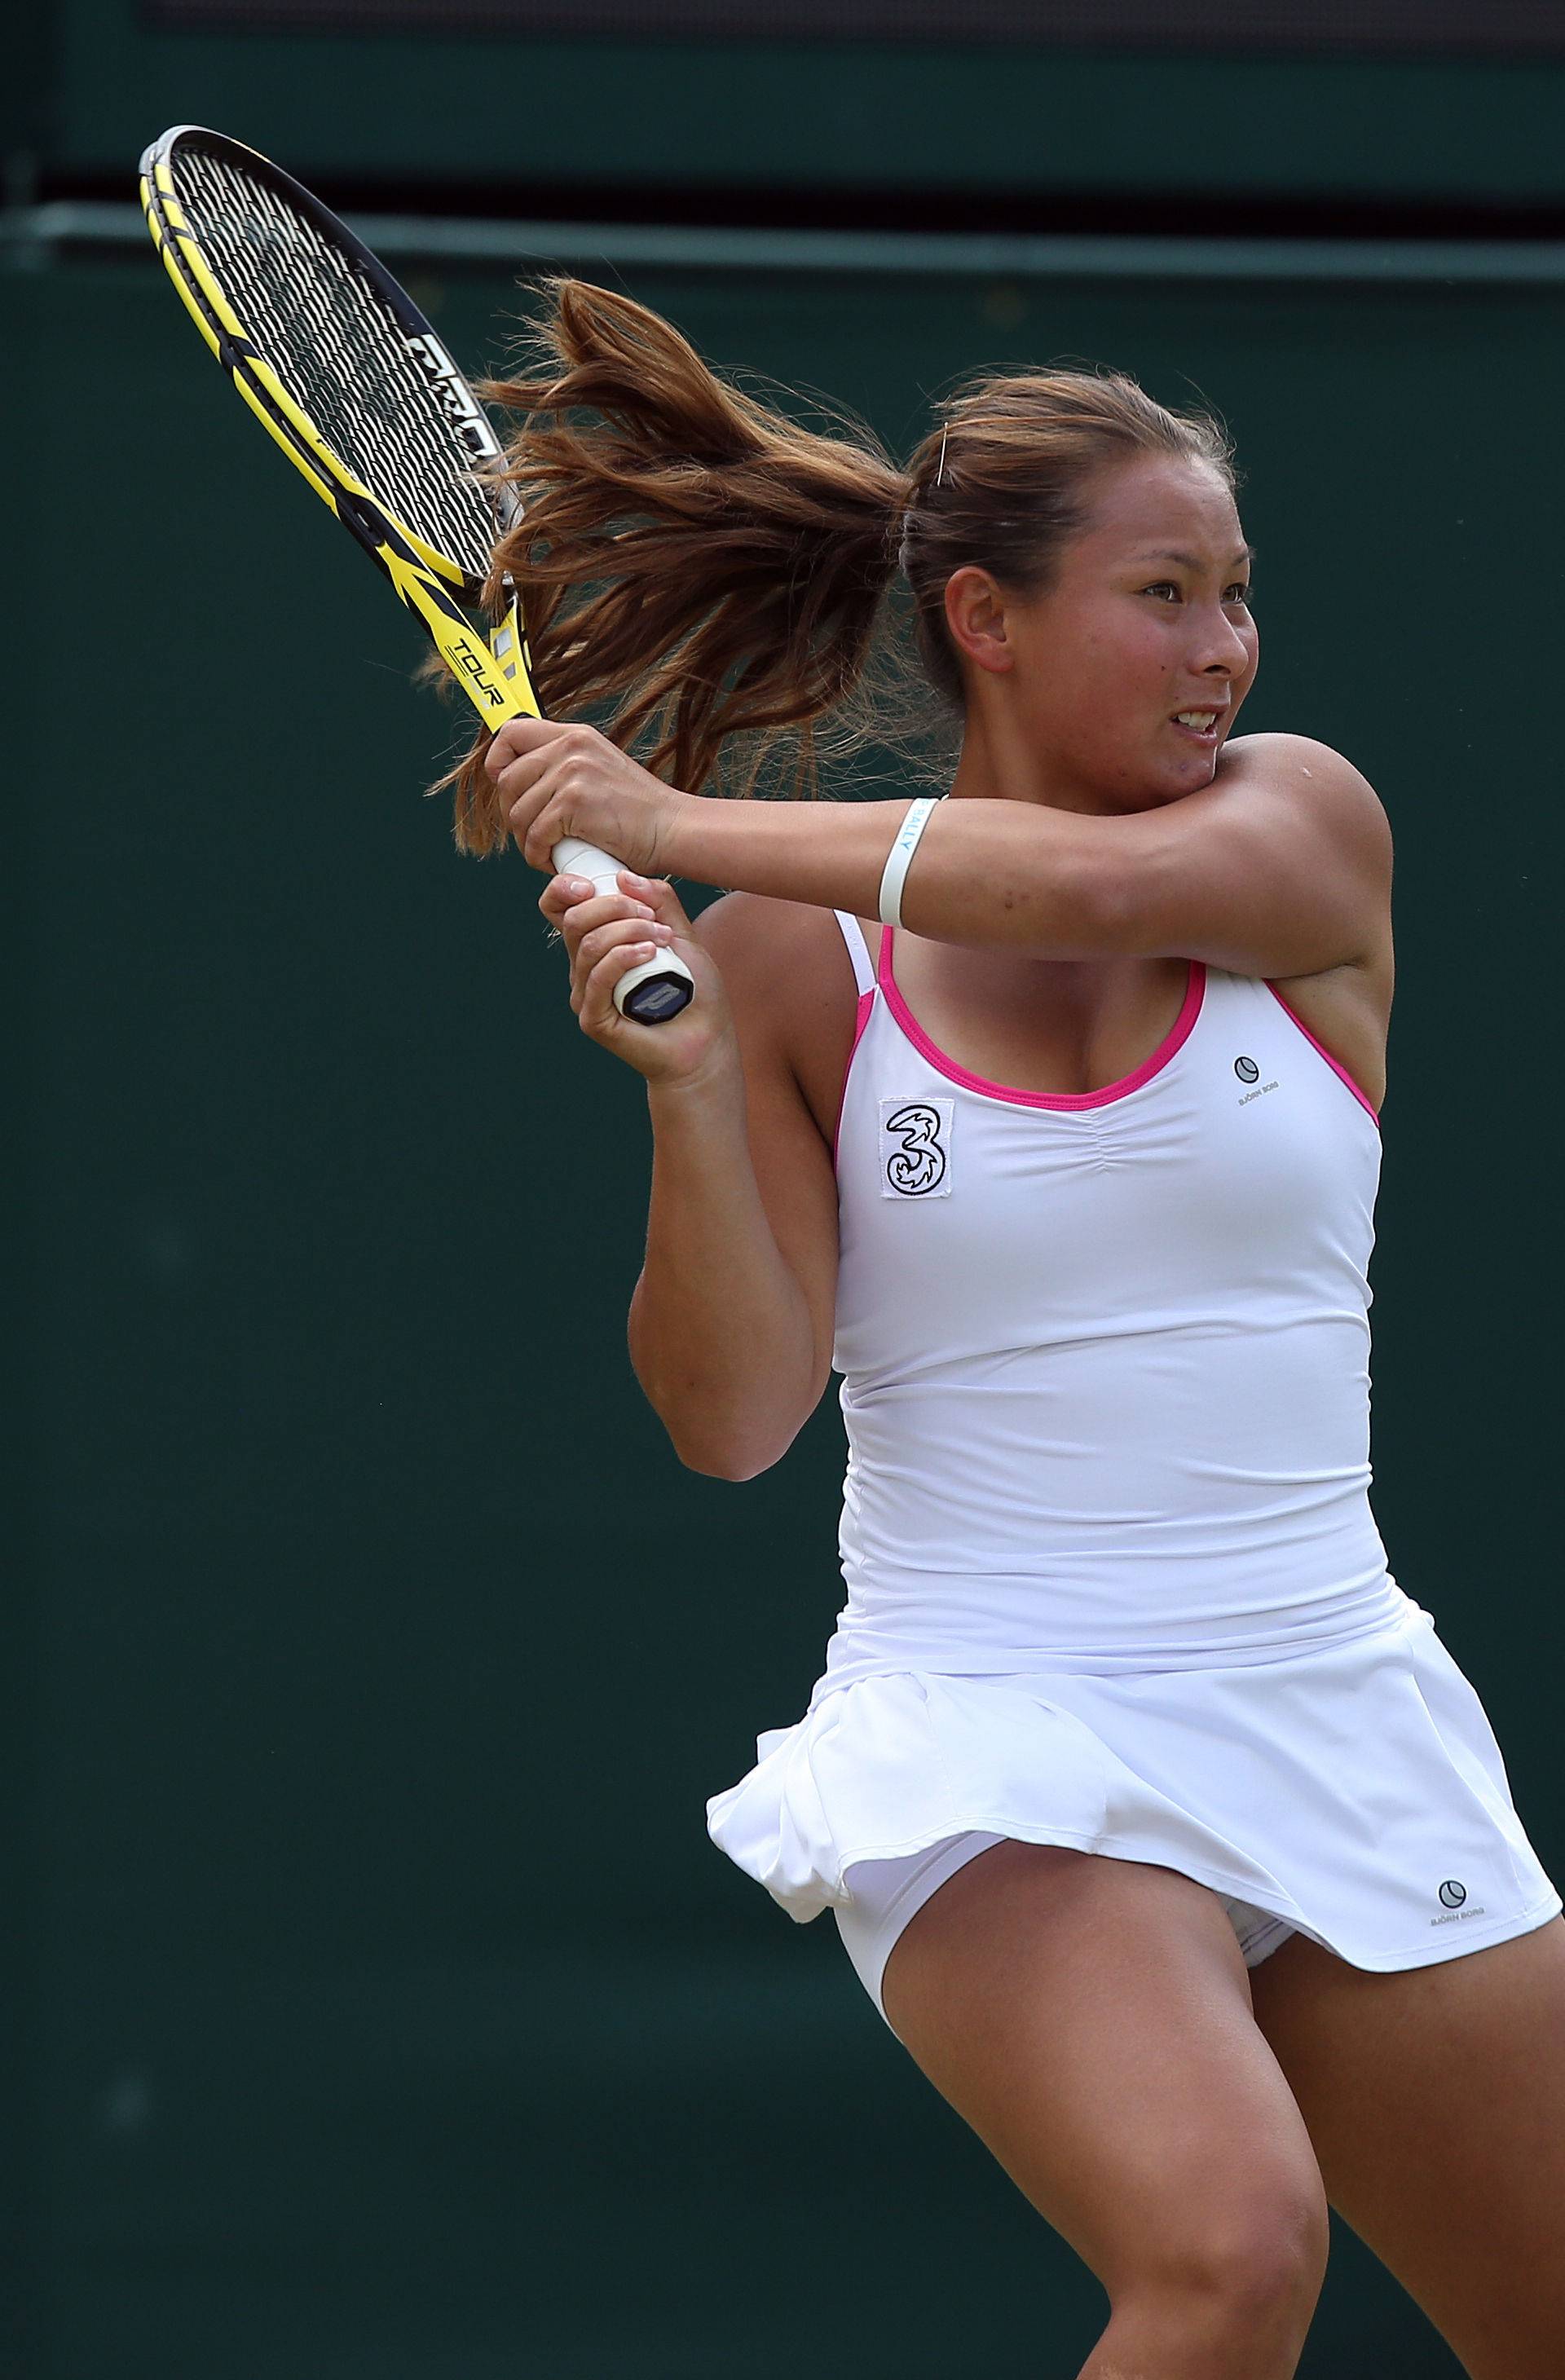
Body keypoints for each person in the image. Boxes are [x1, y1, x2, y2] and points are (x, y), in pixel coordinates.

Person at [463, 281, 1565, 2379]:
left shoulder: (1302, 832)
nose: (1227, 648)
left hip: (1339, 1691)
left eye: (1238, 594)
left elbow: (1056, 892)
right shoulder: (789, 961)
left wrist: (662, 825)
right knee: (1232, 2248)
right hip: (1002, 1724)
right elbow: (735, 1417)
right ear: (986, 617)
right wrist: (693, 1094)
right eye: (1167, 594)